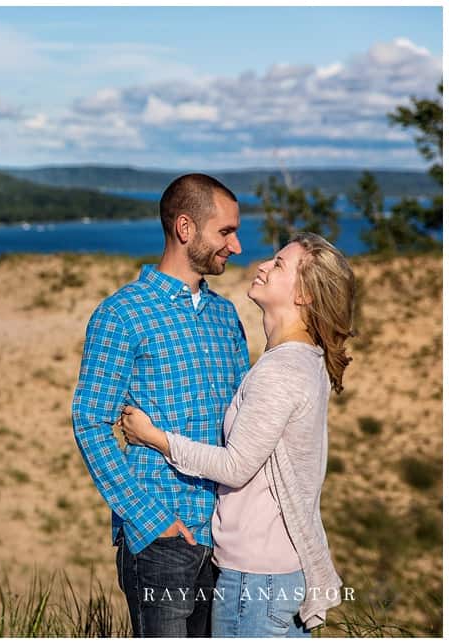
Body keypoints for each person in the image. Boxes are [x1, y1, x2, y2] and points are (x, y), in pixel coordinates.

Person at [118, 232, 355, 637]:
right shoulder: (304, 359)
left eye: (279, 264)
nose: (263, 265)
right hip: (272, 575)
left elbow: (234, 466)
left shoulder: (280, 371)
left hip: (256, 580)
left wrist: (154, 437)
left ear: (305, 296)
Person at [71, 173, 250, 637]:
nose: (237, 246)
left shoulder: (226, 317)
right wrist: (153, 522)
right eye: (226, 232)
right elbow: (90, 423)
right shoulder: (121, 314)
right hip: (161, 542)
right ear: (185, 229)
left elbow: (240, 426)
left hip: (228, 540)